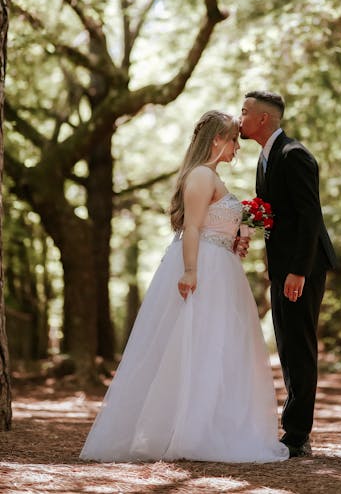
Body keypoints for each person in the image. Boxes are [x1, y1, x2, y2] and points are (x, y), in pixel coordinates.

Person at [80, 110, 288, 463]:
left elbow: (210, 224)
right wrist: (191, 271)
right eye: (233, 139)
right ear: (217, 141)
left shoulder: (211, 176)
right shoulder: (202, 176)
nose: (237, 147)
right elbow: (191, 228)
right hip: (204, 266)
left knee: (215, 347)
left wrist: (236, 236)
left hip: (221, 265)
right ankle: (188, 431)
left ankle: (208, 425)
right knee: (195, 344)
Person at [239, 91, 337, 458]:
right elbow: (273, 215)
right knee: (287, 347)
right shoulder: (266, 159)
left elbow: (310, 216)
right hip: (282, 270)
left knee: (299, 346)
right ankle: (293, 429)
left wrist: (298, 271)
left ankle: (297, 435)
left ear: (263, 119)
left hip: (303, 268)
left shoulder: (294, 155)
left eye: (245, 112)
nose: (240, 118)